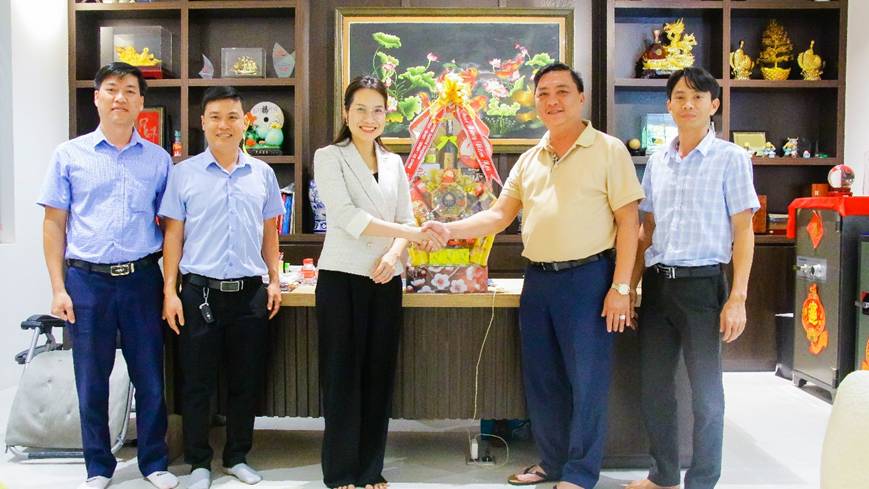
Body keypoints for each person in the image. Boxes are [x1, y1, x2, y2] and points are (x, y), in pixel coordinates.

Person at [424, 62, 644, 489]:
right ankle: (552, 463)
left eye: (562, 91)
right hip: (539, 281)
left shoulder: (608, 149)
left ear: (581, 98)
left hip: (589, 279)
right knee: (543, 380)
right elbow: (498, 215)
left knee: (587, 382)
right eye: (543, 93)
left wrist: (621, 287)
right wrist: (448, 228)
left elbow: (628, 221)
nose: (552, 101)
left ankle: (580, 473)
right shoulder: (530, 159)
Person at [38, 62, 178, 489]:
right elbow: (54, 224)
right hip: (86, 282)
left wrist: (168, 287)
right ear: (96, 97)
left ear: (141, 102)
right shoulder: (69, 155)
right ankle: (98, 467)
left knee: (150, 376)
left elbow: (172, 225)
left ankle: (154, 462)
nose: (121, 97)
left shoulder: (158, 160)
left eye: (130, 90)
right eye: (112, 89)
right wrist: (58, 287)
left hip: (141, 279)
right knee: (91, 379)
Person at [626, 67, 759, 489]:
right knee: (655, 388)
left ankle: (702, 481)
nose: (688, 104)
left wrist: (737, 297)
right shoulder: (657, 161)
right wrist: (629, 287)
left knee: (705, 393)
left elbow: (744, 231)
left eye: (698, 97)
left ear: (713, 105)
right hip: (659, 284)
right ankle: (663, 475)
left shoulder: (731, 159)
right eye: (680, 97)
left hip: (704, 286)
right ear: (668, 105)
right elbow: (646, 230)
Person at [313, 75, 444, 489]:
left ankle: (370, 469)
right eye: (360, 109)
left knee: (378, 375)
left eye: (377, 110)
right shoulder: (329, 157)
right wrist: (412, 235)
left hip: (386, 279)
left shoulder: (393, 162)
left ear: (387, 115)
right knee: (342, 376)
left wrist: (393, 255)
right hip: (341, 278)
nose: (369, 118)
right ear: (346, 113)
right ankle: (340, 472)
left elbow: (406, 217)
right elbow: (348, 217)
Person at [159, 86, 284, 489]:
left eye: (232, 117)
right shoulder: (184, 174)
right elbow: (173, 236)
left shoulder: (262, 174)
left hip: (249, 294)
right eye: (215, 117)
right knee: (197, 383)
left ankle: (236, 456)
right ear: (203, 123)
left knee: (245, 382)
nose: (223, 125)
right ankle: (199, 462)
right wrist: (170, 291)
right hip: (199, 294)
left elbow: (270, 233)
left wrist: (274, 280)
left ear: (245, 122)